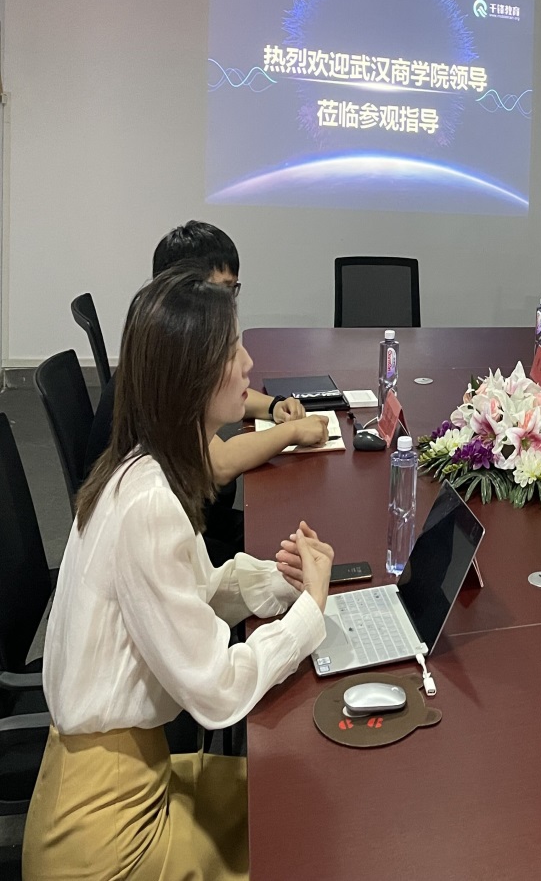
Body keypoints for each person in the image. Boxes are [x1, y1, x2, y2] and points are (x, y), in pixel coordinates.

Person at [23, 263, 333, 881]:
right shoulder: (151, 505)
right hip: (106, 836)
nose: (248, 364)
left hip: (119, 779)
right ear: (191, 375)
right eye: (233, 351)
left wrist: (279, 581)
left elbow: (192, 597)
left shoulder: (140, 466)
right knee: (303, 840)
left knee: (296, 803)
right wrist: (308, 616)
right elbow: (217, 690)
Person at [86, 222, 326, 559]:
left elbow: (221, 391)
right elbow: (221, 464)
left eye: (233, 290)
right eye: (222, 290)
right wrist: (293, 432)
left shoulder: (158, 355)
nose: (228, 303)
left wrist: (272, 406)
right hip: (175, 532)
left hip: (191, 515)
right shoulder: (164, 381)